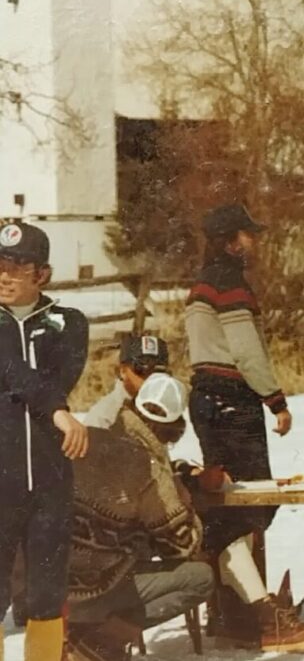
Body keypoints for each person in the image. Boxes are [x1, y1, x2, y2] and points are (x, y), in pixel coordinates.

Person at [185, 203, 304, 650]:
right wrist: (276, 400)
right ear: (232, 241)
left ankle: (230, 608)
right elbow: (247, 354)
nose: (255, 242)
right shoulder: (231, 283)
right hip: (232, 399)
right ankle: (255, 615)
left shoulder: (202, 282)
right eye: (249, 235)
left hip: (207, 398)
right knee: (251, 503)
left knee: (229, 503)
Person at [66, 373, 212, 660]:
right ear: (174, 429)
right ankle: (98, 642)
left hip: (48, 586)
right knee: (201, 578)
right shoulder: (148, 466)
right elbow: (180, 545)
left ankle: (89, 634)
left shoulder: (93, 435)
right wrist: (185, 503)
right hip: (91, 592)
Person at [0, 222, 89, 661]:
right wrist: (55, 409)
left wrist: (42, 398)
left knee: (47, 594)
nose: (4, 276)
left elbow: (60, 375)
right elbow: (10, 370)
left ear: (43, 274)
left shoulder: (67, 323)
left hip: (50, 481)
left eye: (17, 267)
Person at [85, 335, 170, 429]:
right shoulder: (104, 416)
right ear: (122, 371)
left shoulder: (166, 409)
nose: (149, 377)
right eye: (141, 369)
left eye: (158, 370)